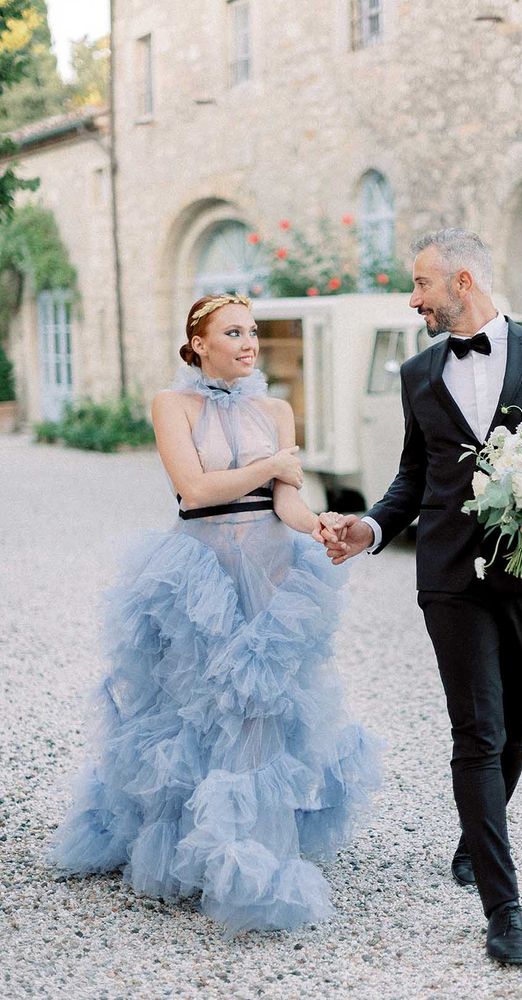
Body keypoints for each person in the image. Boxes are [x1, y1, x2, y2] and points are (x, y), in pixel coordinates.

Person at [48, 293, 380, 935]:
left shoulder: (276, 408)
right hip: (199, 575)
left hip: (272, 568)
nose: (249, 342)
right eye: (234, 332)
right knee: (193, 705)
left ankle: (252, 852)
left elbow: (285, 500)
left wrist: (322, 526)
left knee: (259, 708)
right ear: (198, 342)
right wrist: (271, 465)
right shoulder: (171, 405)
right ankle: (190, 844)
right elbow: (194, 488)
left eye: (252, 331)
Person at [323, 229, 522, 965]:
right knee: (476, 733)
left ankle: (476, 835)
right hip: (446, 576)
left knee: (518, 729)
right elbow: (413, 477)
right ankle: (504, 911)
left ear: (463, 281)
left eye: (420, 285)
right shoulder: (416, 373)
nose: (413, 299)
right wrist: (370, 529)